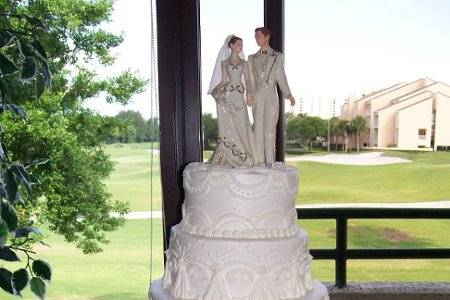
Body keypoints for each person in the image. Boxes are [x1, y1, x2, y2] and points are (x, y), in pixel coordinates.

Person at [207, 35, 256, 167]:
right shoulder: (224, 63)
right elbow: (223, 81)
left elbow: (248, 81)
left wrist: (250, 94)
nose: (240, 47)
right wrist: (216, 91)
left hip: (239, 96)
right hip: (229, 95)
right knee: (230, 123)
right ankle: (229, 154)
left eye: (241, 45)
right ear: (231, 46)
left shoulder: (244, 63)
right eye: (238, 44)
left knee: (242, 122)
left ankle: (245, 153)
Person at [248, 27, 295, 164]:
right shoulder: (252, 58)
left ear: (267, 37)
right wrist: (249, 94)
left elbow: (281, 77)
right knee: (258, 128)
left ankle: (270, 161)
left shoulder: (277, 56)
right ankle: (259, 160)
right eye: (255, 36)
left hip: (271, 96)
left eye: (259, 36)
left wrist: (288, 94)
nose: (257, 38)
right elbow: (250, 79)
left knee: (270, 128)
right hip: (257, 97)